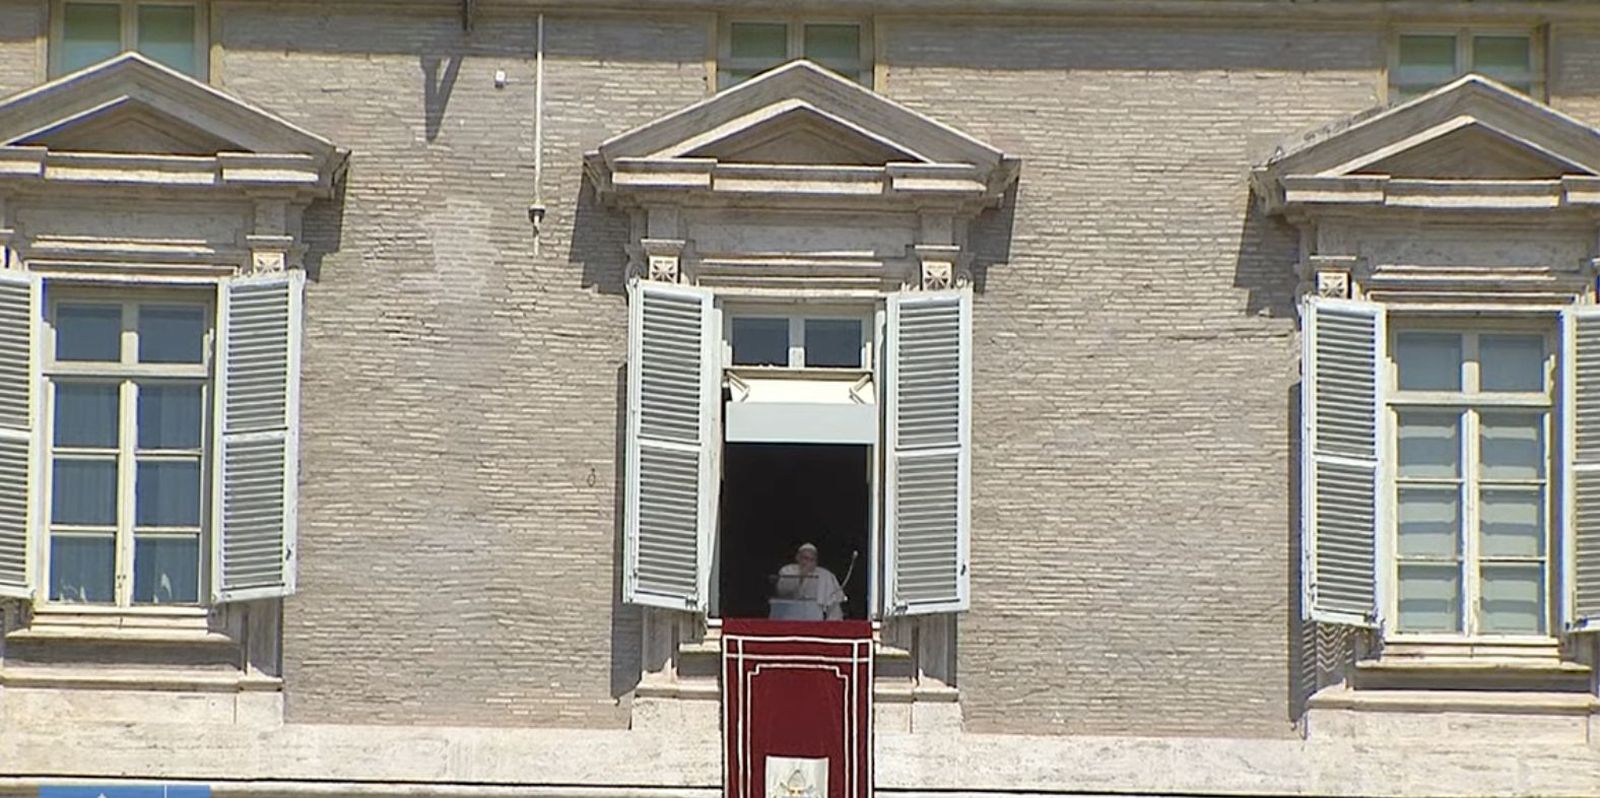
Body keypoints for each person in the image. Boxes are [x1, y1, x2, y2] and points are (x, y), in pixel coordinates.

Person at [773, 543, 847, 620]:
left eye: (812, 560)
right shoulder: (788, 570)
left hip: (814, 618)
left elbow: (833, 604)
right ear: (798, 558)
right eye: (805, 558)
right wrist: (802, 576)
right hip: (790, 615)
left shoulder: (825, 575)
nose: (808, 562)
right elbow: (782, 591)